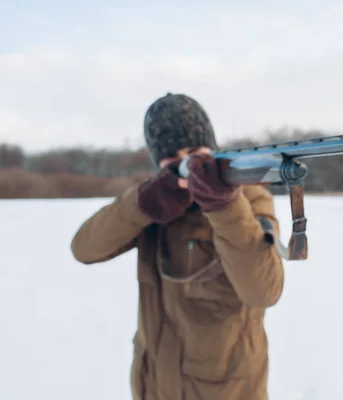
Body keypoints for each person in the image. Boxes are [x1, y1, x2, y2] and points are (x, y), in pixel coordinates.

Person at [70, 93, 285, 400]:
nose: (188, 161)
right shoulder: (152, 200)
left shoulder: (249, 197)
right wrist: (142, 205)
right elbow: (84, 248)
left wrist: (223, 206)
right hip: (154, 386)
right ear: (159, 162)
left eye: (196, 150)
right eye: (174, 156)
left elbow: (264, 290)